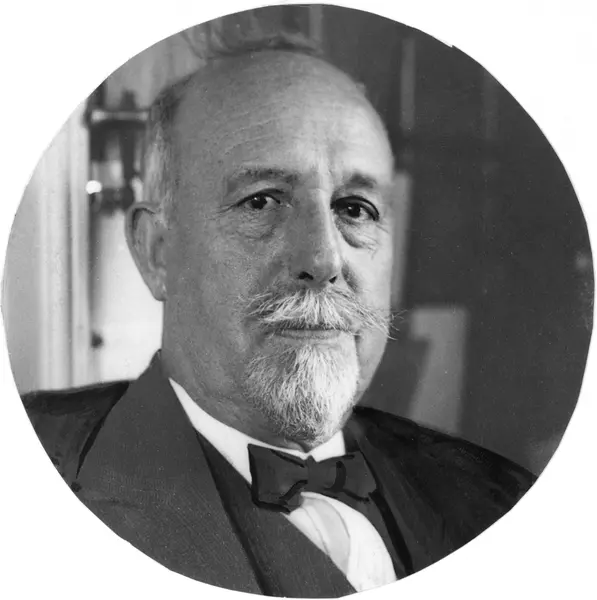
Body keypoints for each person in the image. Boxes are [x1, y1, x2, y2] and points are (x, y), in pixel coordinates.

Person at [23, 33, 535, 597]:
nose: (324, 259)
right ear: (157, 251)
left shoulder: (500, 501)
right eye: (261, 200)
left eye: (355, 209)